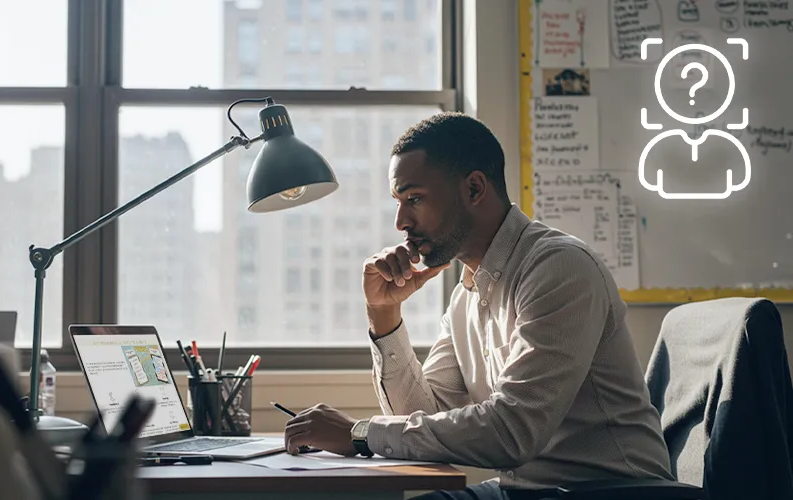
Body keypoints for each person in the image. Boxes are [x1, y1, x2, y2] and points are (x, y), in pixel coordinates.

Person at [283, 112, 674, 499]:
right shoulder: (466, 296)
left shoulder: (559, 267)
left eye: (414, 198)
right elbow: (425, 413)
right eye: (398, 202)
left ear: (473, 189)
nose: (401, 221)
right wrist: (384, 316)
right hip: (525, 489)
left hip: (609, 490)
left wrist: (360, 435)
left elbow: (512, 431)